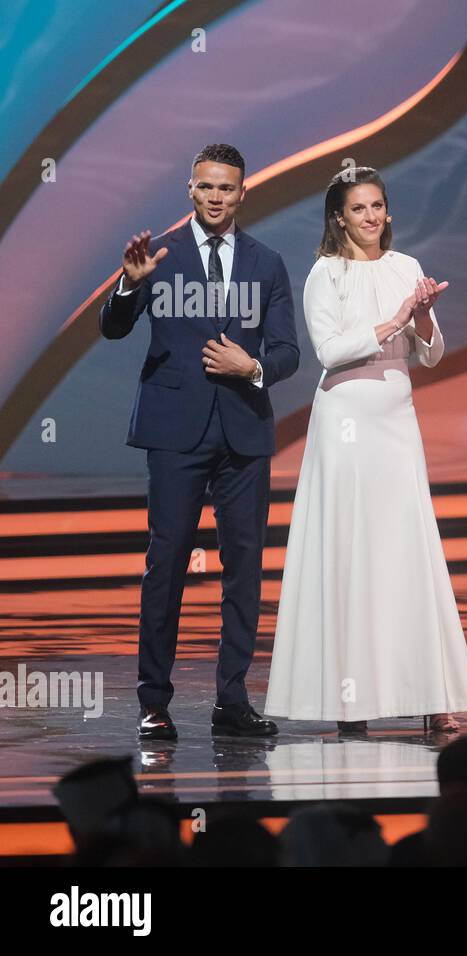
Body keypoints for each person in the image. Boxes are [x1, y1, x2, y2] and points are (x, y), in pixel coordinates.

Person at [264, 167, 467, 735]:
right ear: (340, 216)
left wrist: (424, 314)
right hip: (345, 419)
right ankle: (349, 699)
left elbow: (430, 354)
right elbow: (330, 351)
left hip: (395, 417)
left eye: (378, 206)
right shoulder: (325, 274)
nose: (371, 217)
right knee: (351, 551)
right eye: (359, 208)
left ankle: (431, 692)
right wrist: (395, 320)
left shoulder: (405, 267)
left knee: (407, 547)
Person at [99, 143, 299, 740]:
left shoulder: (267, 263)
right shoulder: (158, 254)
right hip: (175, 432)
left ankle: (231, 701)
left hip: (243, 431)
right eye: (206, 187)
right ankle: (153, 703)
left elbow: (288, 352)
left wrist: (252, 365)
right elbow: (111, 328)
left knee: (244, 570)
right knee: (166, 566)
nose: (216, 197)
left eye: (227, 188)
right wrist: (132, 287)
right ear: (191, 189)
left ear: (243, 193)